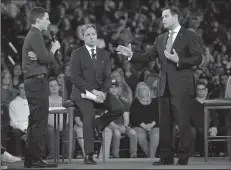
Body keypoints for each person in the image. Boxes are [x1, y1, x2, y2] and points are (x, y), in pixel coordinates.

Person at [116, 6, 202, 165]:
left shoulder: (189, 36)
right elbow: (148, 56)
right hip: (164, 87)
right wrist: (131, 55)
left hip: (182, 87)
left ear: (176, 17)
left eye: (166, 16)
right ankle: (166, 156)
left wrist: (179, 61)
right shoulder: (160, 38)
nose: (162, 19)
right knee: (165, 123)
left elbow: (198, 58)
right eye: (162, 17)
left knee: (183, 122)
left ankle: (183, 157)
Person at [70, 24, 124, 164]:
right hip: (82, 93)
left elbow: (107, 77)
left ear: (97, 36)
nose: (91, 37)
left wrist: (104, 93)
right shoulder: (77, 53)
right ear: (83, 37)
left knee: (118, 107)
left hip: (100, 92)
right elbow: (75, 77)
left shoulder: (104, 54)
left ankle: (99, 124)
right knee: (89, 116)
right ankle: (89, 155)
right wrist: (92, 91)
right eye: (88, 34)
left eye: (93, 34)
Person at [22, 7, 60, 168]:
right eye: (47, 18)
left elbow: (43, 59)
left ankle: (31, 158)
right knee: (39, 121)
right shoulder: (36, 34)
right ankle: (36, 158)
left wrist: (42, 56)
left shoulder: (34, 35)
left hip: (34, 81)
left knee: (34, 120)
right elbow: (45, 59)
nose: (49, 22)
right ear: (38, 20)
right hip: (37, 82)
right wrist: (53, 49)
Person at [130, 82, 159, 158]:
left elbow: (159, 115)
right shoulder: (135, 102)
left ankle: (151, 157)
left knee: (156, 135)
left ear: (148, 90)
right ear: (137, 92)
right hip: (139, 125)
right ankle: (151, 157)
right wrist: (144, 125)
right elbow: (134, 117)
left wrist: (152, 124)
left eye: (144, 88)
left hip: (154, 125)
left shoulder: (155, 102)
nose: (142, 91)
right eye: (140, 89)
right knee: (140, 136)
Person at [9, 82, 29, 158]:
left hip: (31, 127)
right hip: (20, 129)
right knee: (16, 132)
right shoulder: (13, 103)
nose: (24, 90)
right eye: (21, 88)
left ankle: (38, 155)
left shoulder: (33, 102)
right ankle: (18, 155)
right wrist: (25, 129)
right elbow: (13, 122)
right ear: (18, 90)